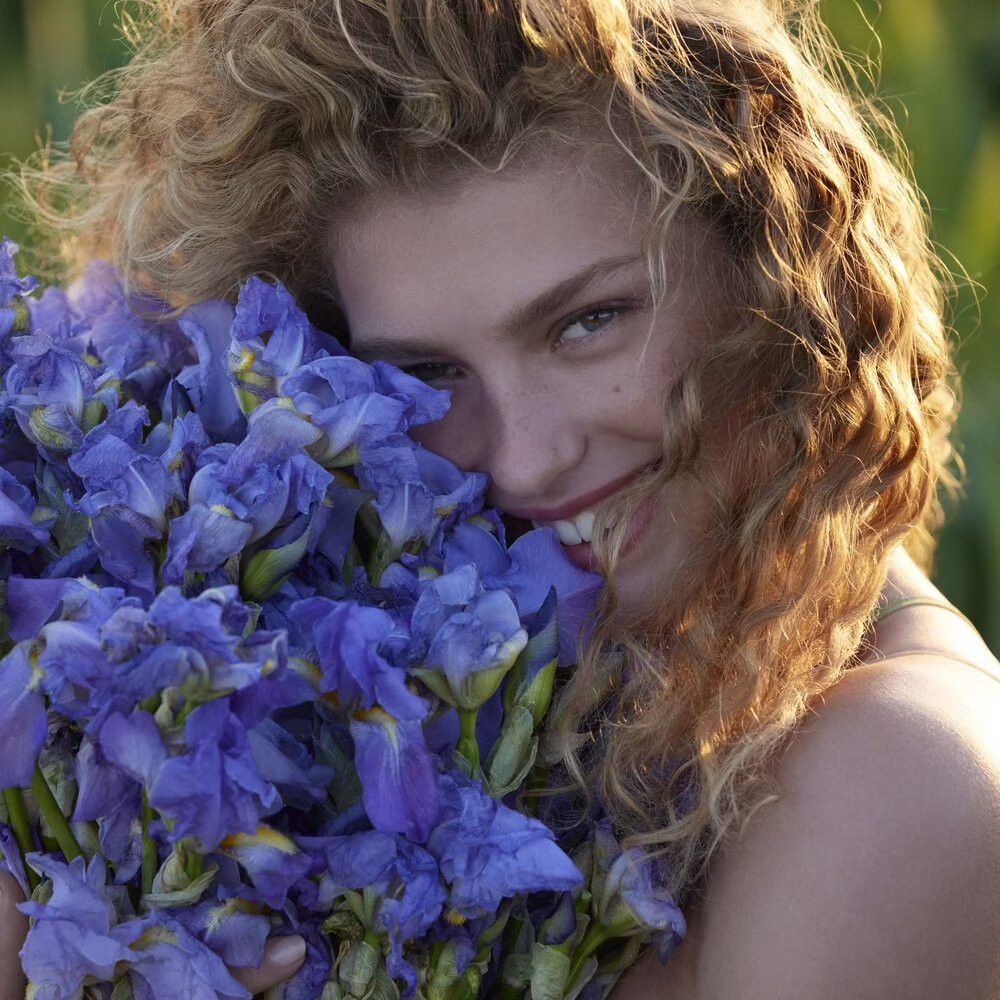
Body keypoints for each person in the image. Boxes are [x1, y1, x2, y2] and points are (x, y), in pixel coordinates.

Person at [6, 0, 1000, 996]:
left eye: (587, 322)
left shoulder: (889, 783)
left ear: (771, 275)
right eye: (431, 372)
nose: (524, 462)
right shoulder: (632, 703)